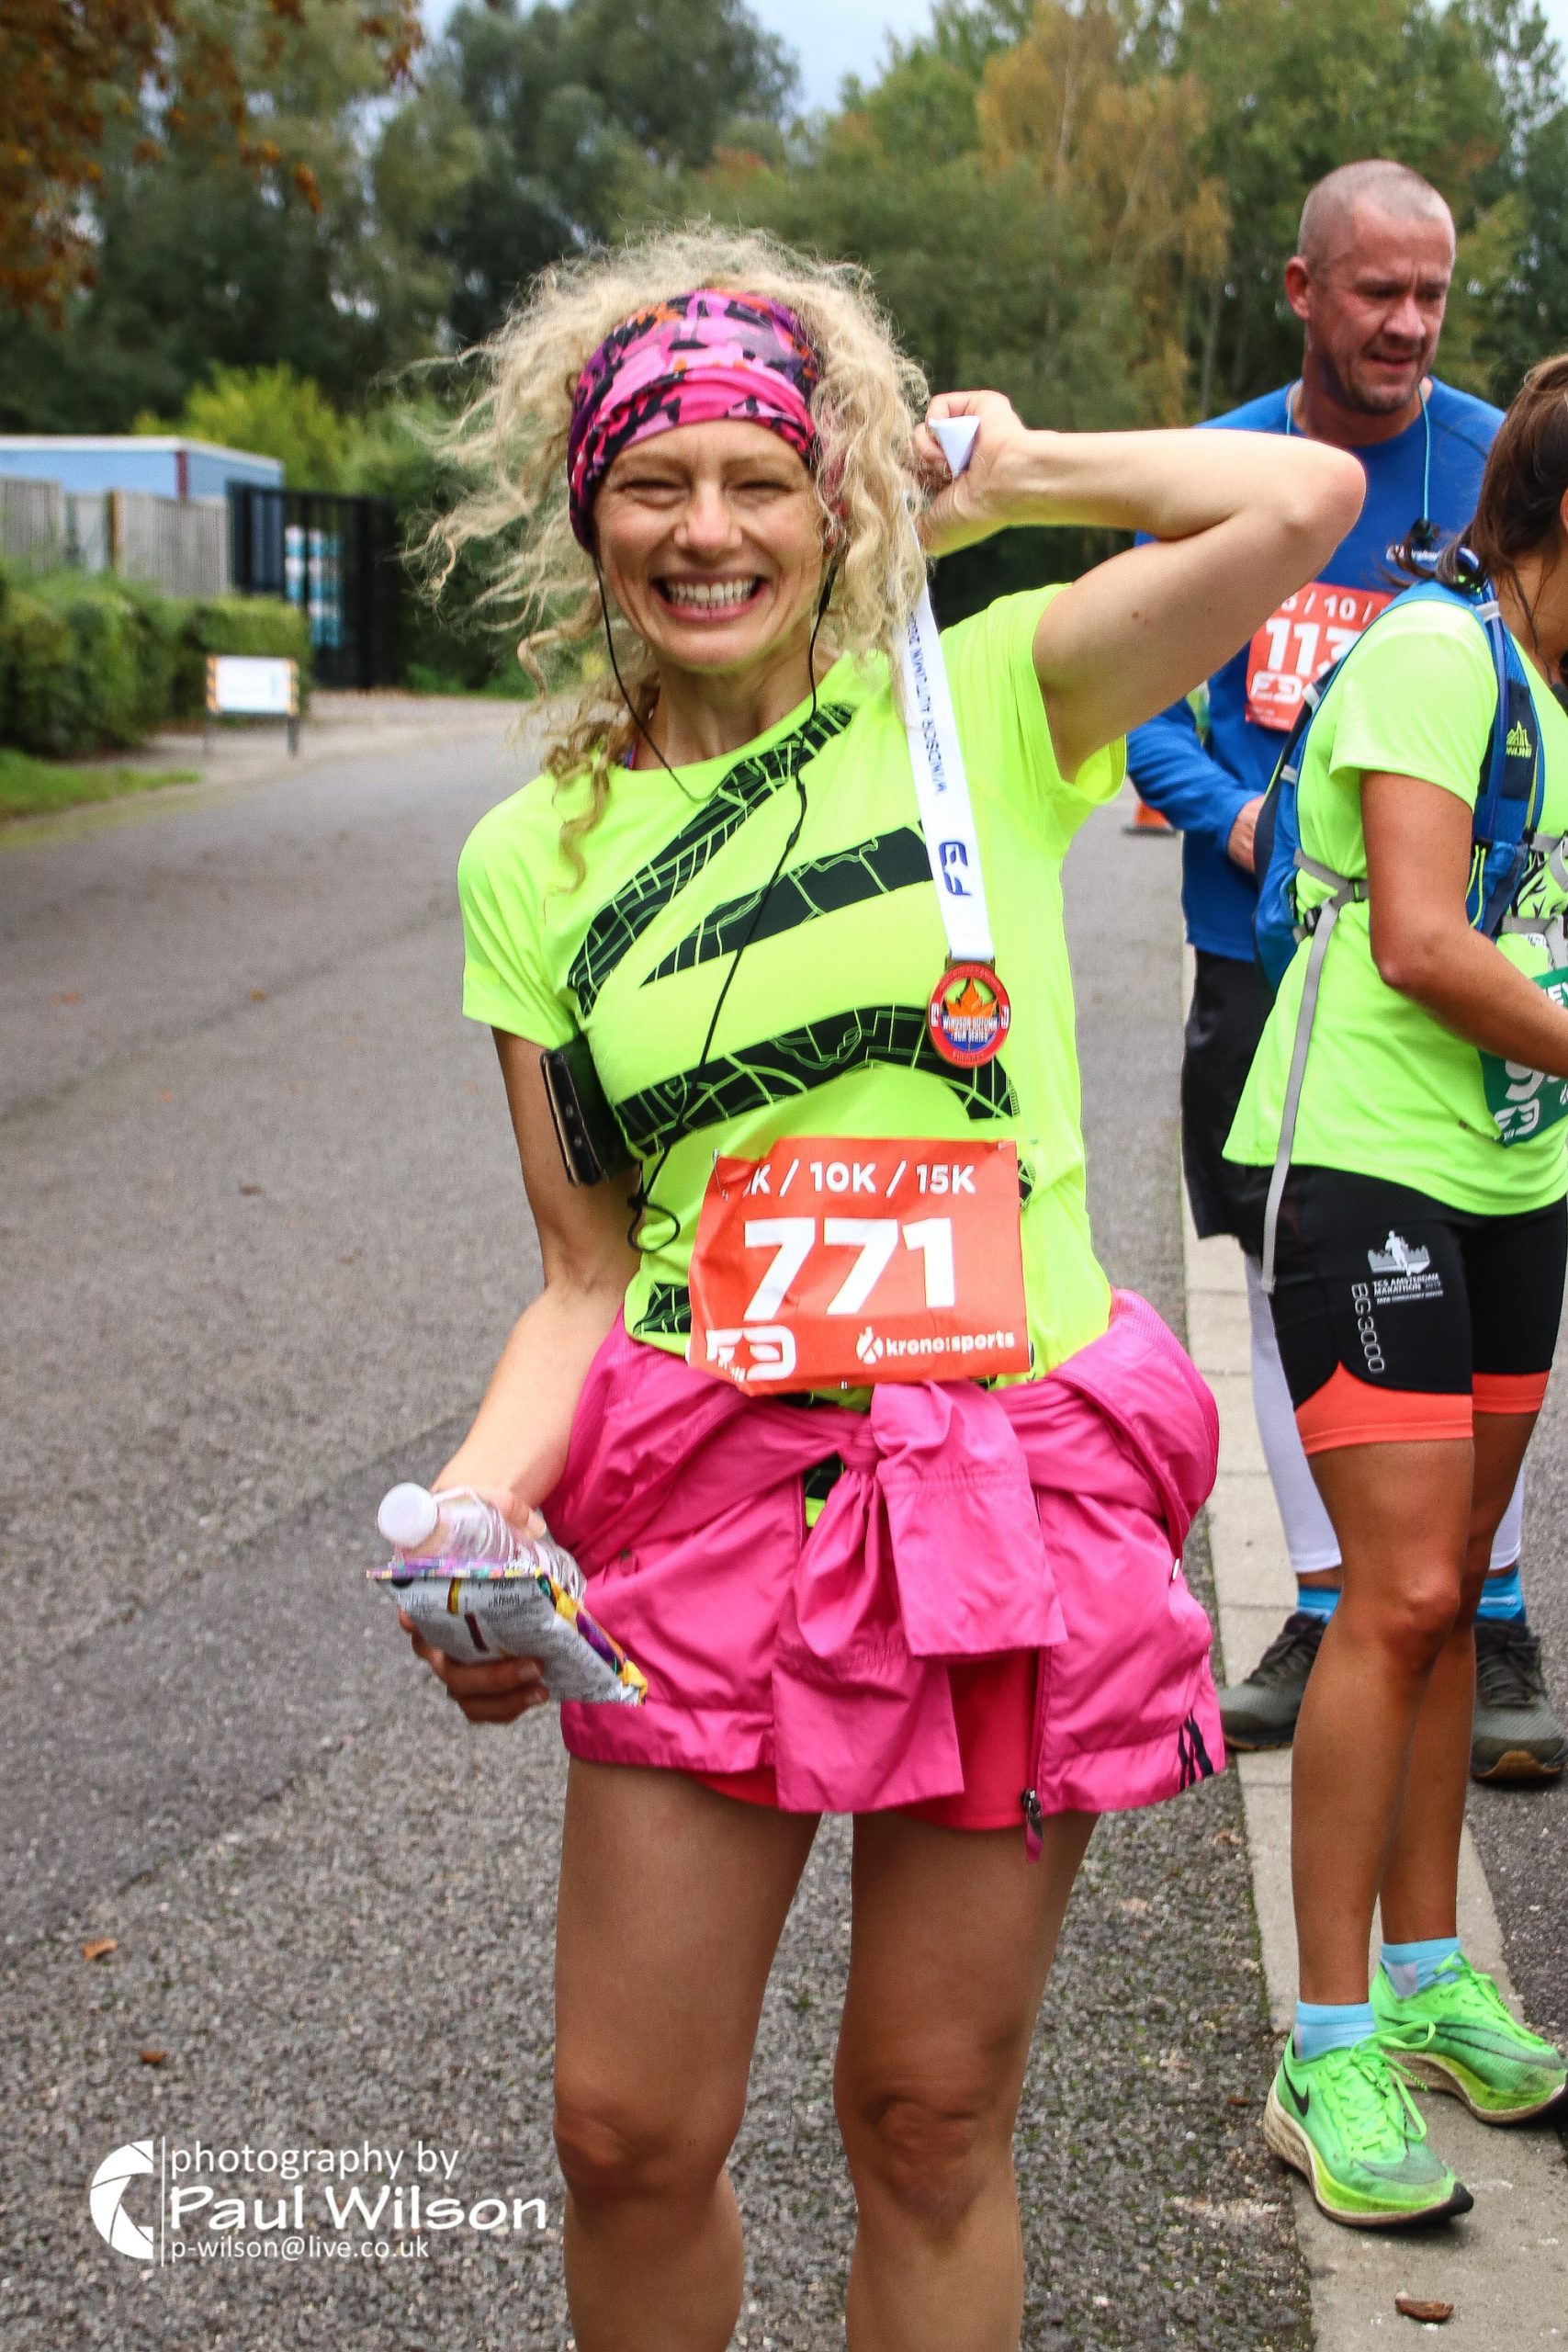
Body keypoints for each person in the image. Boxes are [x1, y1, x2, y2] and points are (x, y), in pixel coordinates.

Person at [393, 226, 1363, 2351]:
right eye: (653, 483)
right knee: (624, 2125)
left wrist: (1013, 477)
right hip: (703, 1476)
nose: (706, 531)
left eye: (761, 476)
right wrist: (478, 1501)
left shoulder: (985, 695)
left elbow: (1300, 498)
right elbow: (579, 1269)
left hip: (1002, 1485)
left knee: (927, 2118)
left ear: (835, 492)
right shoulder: (526, 859)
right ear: (586, 514)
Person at [1127, 158, 1566, 1782]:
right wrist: (1238, 816)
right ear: (1303, 291)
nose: (1408, 322)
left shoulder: (1493, 461)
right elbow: (1141, 701)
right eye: (1377, 291)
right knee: (1284, 1272)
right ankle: (1325, 1605)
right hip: (1264, 944)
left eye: (1432, 294)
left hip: (1466, 957)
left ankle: (1492, 1612)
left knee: (1490, 1277)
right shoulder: (1224, 468)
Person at [1225, 356, 1568, 2229]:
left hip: (1517, 1175)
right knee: (1403, 1589)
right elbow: (1426, 940)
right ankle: (1328, 2040)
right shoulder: (1442, 655)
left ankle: (1431, 1979)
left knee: (1453, 1599)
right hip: (1365, 1157)